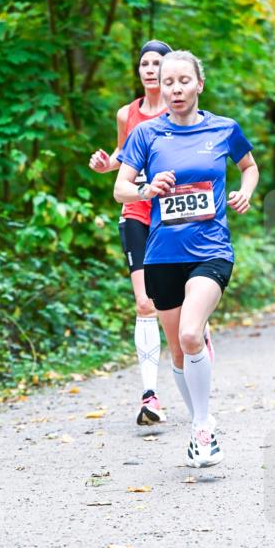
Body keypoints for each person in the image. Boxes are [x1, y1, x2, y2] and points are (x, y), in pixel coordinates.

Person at [114, 50, 259, 467]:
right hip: (162, 255)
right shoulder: (147, 134)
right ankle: (201, 420)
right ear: (160, 87)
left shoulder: (224, 128)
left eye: (183, 81)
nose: (175, 89)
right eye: (168, 82)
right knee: (178, 351)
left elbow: (249, 167)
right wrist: (147, 189)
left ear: (199, 84)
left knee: (192, 335)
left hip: (211, 250)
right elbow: (121, 189)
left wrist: (245, 191)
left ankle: (202, 430)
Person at [89, 39, 214, 427]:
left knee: (178, 305)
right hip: (137, 212)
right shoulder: (127, 113)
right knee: (144, 304)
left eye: (156, 64)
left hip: (175, 216)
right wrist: (107, 164)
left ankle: (196, 333)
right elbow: (124, 155)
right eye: (144, 63)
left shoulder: (182, 111)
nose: (149, 70)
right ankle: (150, 395)